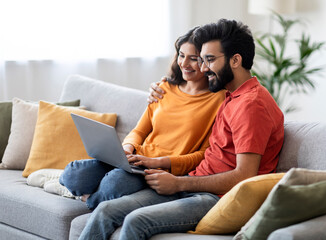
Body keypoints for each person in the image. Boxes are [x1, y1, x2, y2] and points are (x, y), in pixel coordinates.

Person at [78, 19, 284, 240]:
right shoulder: (231, 95)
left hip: (214, 197)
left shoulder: (251, 105)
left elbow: (244, 175)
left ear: (236, 60)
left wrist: (179, 182)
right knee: (105, 210)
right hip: (193, 184)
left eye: (210, 60)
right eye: (202, 60)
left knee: (136, 221)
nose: (203, 69)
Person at [59, 27, 225, 210]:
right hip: (136, 159)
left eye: (193, 59)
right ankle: (99, 193)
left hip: (160, 170)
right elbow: (139, 130)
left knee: (113, 184)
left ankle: (90, 199)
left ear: (207, 62)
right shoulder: (164, 88)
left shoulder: (219, 100)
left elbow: (203, 155)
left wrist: (158, 162)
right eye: (181, 55)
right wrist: (126, 149)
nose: (184, 63)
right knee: (73, 174)